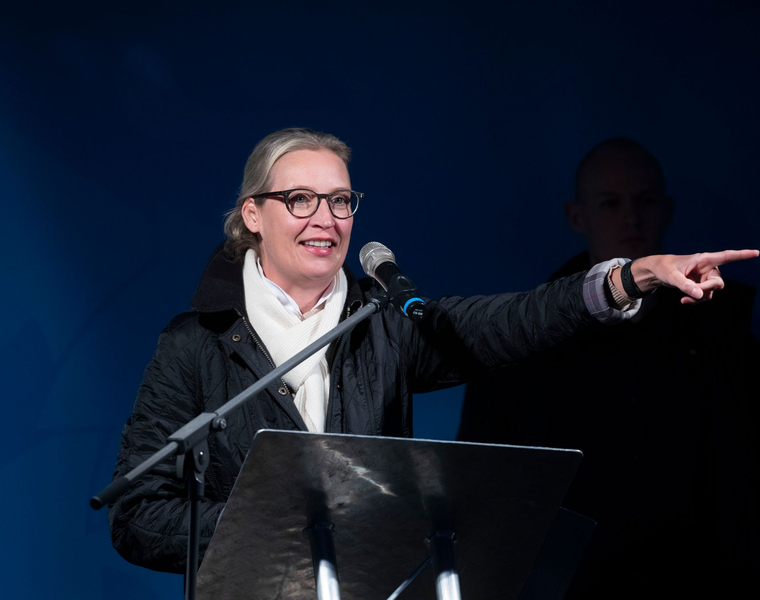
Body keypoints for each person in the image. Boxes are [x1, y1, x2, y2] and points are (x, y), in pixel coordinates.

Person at [108, 128, 757, 575]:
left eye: (341, 201)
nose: (325, 218)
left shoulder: (384, 324)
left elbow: (515, 319)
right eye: (300, 199)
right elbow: (137, 515)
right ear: (253, 214)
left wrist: (627, 278)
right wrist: (274, 524)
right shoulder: (193, 345)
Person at [459, 138, 759, 598]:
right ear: (578, 216)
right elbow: (484, 486)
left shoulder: (721, 335)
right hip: (570, 583)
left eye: (644, 201)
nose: (631, 218)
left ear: (667, 209)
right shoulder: (527, 341)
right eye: (611, 203)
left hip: (699, 576)